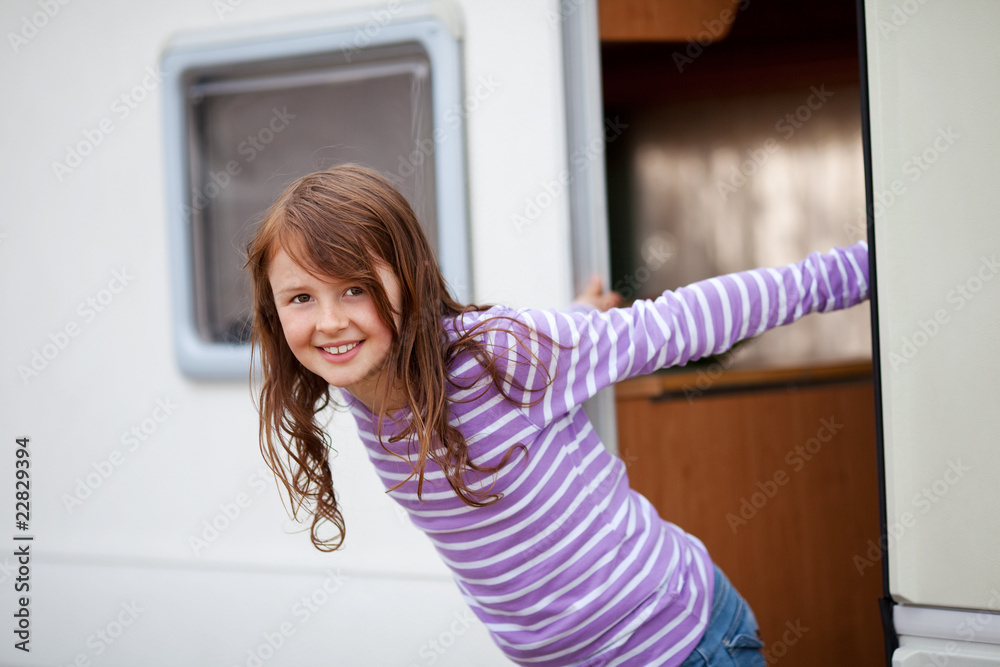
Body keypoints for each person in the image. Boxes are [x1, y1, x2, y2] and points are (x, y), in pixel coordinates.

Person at [245, 164, 870, 666]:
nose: (330, 321)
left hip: (682, 645)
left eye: (355, 288)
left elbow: (676, 324)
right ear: (274, 311)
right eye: (301, 298)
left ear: (410, 279)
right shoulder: (357, 380)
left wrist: (857, 272)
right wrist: (580, 313)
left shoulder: (497, 354)